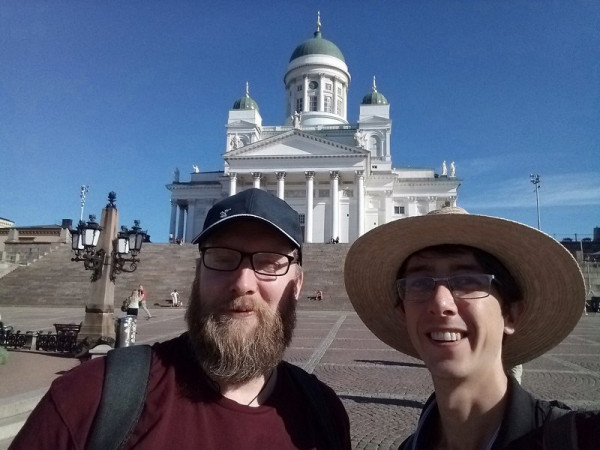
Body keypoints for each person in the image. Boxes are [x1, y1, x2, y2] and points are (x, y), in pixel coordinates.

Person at [12, 188, 350, 449]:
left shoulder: (325, 416)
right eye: (221, 256)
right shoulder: (89, 398)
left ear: (297, 284)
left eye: (270, 262)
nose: (243, 283)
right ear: (197, 271)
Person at [344, 206, 599, 449]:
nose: (439, 303)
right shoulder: (410, 446)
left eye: (466, 281)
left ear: (510, 314)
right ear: (403, 314)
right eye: (420, 283)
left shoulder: (580, 439)